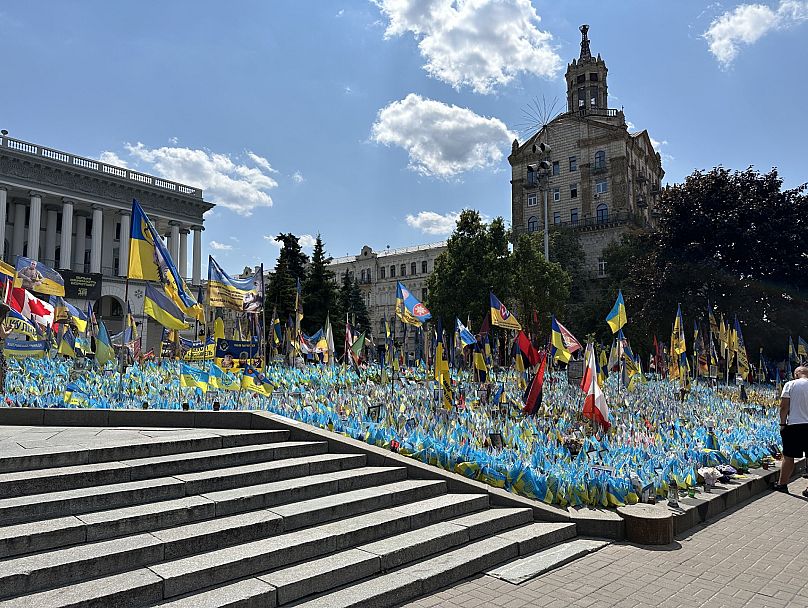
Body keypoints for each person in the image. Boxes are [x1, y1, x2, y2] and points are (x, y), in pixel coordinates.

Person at [773, 366, 808, 494]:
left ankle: (782, 484)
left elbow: (784, 407)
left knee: (789, 457)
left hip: (795, 425)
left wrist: (782, 424)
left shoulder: (790, 385)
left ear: (796, 374)